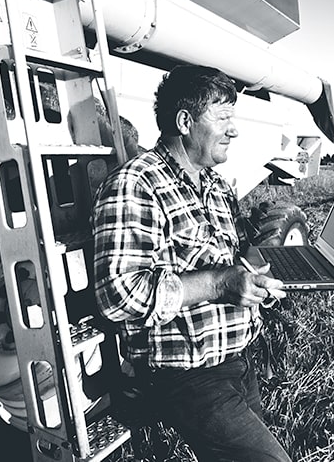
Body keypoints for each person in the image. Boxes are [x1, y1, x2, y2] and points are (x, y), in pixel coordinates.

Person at [91, 65, 290, 461]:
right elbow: (117, 295)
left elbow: (230, 259)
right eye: (223, 118)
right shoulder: (136, 184)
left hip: (236, 360)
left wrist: (256, 280)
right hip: (186, 373)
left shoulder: (215, 186)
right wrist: (218, 284)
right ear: (185, 121)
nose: (234, 130)